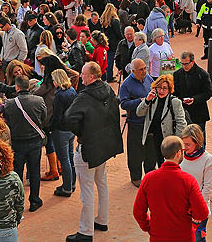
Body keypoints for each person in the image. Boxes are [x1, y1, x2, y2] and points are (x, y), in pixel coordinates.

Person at [65, 62, 123, 242]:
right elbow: (115, 109)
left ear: (91, 76)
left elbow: (69, 119)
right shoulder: (107, 89)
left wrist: (83, 132)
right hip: (104, 146)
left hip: (89, 147)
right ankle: (102, 220)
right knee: (102, 182)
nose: (80, 76)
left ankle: (86, 231)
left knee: (87, 190)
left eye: (82, 74)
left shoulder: (85, 96)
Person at [133, 135, 209, 241]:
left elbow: (138, 211)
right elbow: (202, 212)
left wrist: (148, 227)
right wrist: (192, 221)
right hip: (184, 236)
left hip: (158, 236)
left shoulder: (148, 179)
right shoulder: (188, 180)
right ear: (178, 153)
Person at [1, 75, 46, 212]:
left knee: (17, 173)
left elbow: (7, 121)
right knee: (34, 172)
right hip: (34, 141)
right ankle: (34, 200)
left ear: (17, 87)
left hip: (17, 143)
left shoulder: (9, 103)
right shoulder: (39, 100)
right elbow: (43, 118)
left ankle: (17, 202)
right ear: (29, 86)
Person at [136, 74, 187, 173]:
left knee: (164, 165)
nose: (161, 91)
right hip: (151, 139)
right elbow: (139, 113)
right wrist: (147, 100)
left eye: (164, 88)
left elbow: (181, 123)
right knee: (149, 166)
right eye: (159, 87)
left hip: (166, 140)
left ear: (169, 89)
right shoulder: (152, 99)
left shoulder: (175, 102)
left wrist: (175, 142)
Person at [119, 58, 153, 187]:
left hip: (149, 122)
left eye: (145, 68)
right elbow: (124, 104)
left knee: (151, 151)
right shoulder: (126, 85)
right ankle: (136, 177)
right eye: (141, 69)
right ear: (133, 71)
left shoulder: (148, 78)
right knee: (135, 153)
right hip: (136, 123)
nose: (144, 71)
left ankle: (150, 174)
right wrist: (141, 100)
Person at [179, 124, 212, 242]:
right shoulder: (178, 156)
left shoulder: (207, 159)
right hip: (181, 208)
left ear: (198, 142)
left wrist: (197, 208)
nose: (184, 148)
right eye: (183, 144)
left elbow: (208, 188)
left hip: (199, 210)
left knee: (198, 239)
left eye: (188, 144)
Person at [48, 69, 77, 197]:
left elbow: (57, 116)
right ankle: (71, 183)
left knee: (64, 159)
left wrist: (51, 128)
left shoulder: (60, 95)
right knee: (70, 157)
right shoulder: (72, 91)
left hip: (61, 131)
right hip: (71, 129)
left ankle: (66, 188)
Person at [173, 51, 212, 134]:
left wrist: (194, 99)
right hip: (182, 112)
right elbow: (174, 92)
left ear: (192, 62)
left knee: (199, 139)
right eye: (182, 64)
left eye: (186, 64)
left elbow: (208, 93)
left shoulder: (203, 74)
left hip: (198, 113)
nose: (184, 66)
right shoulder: (177, 74)